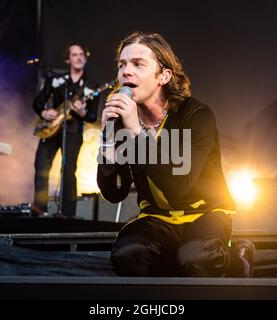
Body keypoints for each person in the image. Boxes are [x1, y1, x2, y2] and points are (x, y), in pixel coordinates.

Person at [97, 32, 254, 277]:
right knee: (128, 256)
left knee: (197, 256)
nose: (126, 72)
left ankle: (238, 258)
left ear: (164, 76)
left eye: (138, 64)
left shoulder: (195, 116)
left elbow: (179, 185)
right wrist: (106, 140)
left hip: (205, 212)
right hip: (158, 217)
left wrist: (137, 133)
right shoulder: (123, 122)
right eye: (122, 65)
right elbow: (114, 193)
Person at [32, 41, 99, 217]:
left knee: (69, 172)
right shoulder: (56, 81)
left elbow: (92, 116)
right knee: (41, 167)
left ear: (86, 58)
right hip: (51, 130)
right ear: (68, 59)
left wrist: (82, 111)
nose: (78, 57)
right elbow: (38, 101)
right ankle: (40, 209)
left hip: (73, 132)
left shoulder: (91, 86)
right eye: (74, 54)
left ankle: (67, 213)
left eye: (81, 54)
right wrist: (44, 112)